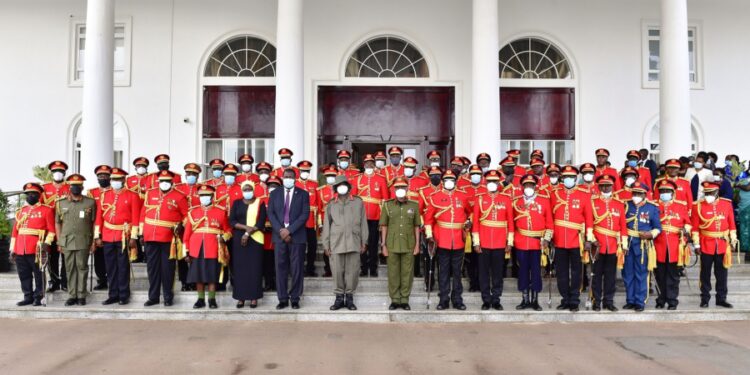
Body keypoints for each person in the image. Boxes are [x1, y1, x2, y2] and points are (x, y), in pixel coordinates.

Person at [424, 170, 472, 310]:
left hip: (458, 238)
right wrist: (429, 235)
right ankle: (443, 299)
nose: (449, 181)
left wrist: (468, 222)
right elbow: (428, 219)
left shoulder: (462, 196)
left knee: (457, 271)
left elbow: (470, 212)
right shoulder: (435, 196)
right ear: (443, 182)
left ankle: (457, 299)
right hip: (442, 238)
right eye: (446, 179)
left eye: (452, 179)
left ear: (456, 181)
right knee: (443, 271)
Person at [140, 170, 189, 307]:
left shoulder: (179, 196)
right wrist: (141, 233)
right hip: (150, 236)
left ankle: (168, 297)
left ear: (172, 182)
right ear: (158, 181)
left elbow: (187, 216)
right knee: (152, 269)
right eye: (162, 181)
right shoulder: (150, 193)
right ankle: (153, 297)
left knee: (168, 269)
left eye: (167, 181)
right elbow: (143, 214)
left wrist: (180, 225)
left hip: (169, 238)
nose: (164, 184)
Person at [95, 168, 141, 306]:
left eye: (118, 179)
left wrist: (133, 237)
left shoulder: (132, 195)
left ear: (124, 180)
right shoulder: (104, 195)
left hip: (124, 235)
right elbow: (99, 217)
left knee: (122, 266)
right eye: (113, 179)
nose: (115, 182)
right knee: (110, 267)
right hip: (108, 234)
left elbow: (136, 218)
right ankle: (112, 294)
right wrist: (98, 235)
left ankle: (123, 294)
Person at [322, 175, 368, 310]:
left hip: (354, 241)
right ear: (336, 188)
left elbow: (363, 223)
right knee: (336, 271)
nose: (342, 187)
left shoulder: (358, 202)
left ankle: (349, 298)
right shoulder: (331, 204)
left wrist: (364, 241)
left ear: (348, 187)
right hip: (336, 242)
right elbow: (326, 225)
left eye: (344, 184)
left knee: (352, 271)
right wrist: (326, 244)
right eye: (339, 185)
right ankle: (338, 298)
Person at [550, 166, 592, 312]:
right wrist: (550, 236)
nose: (568, 179)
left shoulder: (584, 194)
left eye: (571, 177)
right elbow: (550, 217)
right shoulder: (555, 194)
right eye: (566, 176)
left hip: (576, 240)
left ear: (575, 178)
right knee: (561, 272)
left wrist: (588, 238)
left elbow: (589, 219)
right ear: (562, 178)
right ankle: (565, 299)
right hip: (559, 239)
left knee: (576, 272)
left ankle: (574, 299)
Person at [267, 168, 310, 310]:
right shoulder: (274, 194)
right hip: (279, 237)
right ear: (282, 177)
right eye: (286, 176)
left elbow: (304, 215)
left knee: (297, 268)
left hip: (296, 236)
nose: (288, 178)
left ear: (295, 178)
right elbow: (271, 214)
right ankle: (283, 298)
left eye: (291, 176)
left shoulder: (303, 194)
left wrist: (289, 230)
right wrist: (281, 230)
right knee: (280, 268)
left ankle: (295, 298)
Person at [183, 185, 232, 309]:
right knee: (198, 276)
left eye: (206, 195)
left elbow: (228, 230)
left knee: (212, 275)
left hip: (213, 247)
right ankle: (200, 299)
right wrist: (186, 251)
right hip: (196, 248)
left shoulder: (221, 211)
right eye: (201, 195)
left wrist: (223, 238)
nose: (204, 198)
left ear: (212, 196)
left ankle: (211, 299)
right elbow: (187, 234)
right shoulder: (193, 212)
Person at [472, 170, 514, 310]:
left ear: (498, 183)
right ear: (486, 183)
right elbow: (476, 223)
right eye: (489, 181)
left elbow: (510, 223)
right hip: (483, 242)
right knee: (483, 273)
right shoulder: (479, 198)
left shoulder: (506, 199)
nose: (492, 184)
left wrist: (509, 242)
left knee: (497, 273)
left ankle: (496, 299)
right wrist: (476, 242)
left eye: (494, 182)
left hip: (500, 242)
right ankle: (485, 299)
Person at [585, 175, 627, 312]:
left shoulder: (619, 203)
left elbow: (623, 227)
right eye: (602, 185)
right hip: (598, 245)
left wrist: (624, 245)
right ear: (599, 187)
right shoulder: (593, 202)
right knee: (596, 276)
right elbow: (589, 224)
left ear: (612, 186)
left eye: (608, 185)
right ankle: (596, 301)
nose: (605, 188)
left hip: (613, 245)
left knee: (610, 277)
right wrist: (592, 240)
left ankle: (609, 301)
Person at [692, 181, 736, 308]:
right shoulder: (697, 206)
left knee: (722, 274)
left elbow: (732, 225)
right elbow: (695, 228)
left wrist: (732, 241)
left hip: (722, 244)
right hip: (706, 244)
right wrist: (696, 245)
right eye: (706, 193)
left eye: (711, 193)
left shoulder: (726, 204)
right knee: (705, 273)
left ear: (717, 193)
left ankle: (721, 298)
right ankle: (705, 298)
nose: (708, 195)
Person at [512, 174, 553, 311]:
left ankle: (535, 300)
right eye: (526, 185)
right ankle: (524, 299)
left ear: (535, 186)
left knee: (536, 272)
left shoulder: (544, 201)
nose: (528, 187)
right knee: (523, 271)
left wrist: (547, 238)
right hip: (521, 241)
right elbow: (511, 223)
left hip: (538, 243)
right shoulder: (516, 202)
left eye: (531, 185)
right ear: (522, 187)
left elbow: (549, 223)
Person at [11, 183, 56, 306]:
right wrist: (12, 249)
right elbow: (15, 232)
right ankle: (27, 296)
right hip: (20, 248)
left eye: (33, 194)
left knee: (38, 274)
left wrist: (46, 243)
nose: (30, 196)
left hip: (37, 247)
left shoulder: (46, 210)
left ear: (39, 195)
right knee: (24, 275)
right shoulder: (20, 211)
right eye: (28, 194)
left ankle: (38, 296)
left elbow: (52, 230)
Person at [380, 177, 421, 310]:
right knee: (393, 273)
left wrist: (417, 245)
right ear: (394, 189)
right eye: (397, 188)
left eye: (403, 187)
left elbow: (416, 226)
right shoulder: (387, 205)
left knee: (407, 273)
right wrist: (383, 245)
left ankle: (404, 299)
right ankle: (395, 299)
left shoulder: (414, 205)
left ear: (407, 189)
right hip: (392, 244)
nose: (400, 190)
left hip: (409, 244)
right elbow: (384, 225)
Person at [622, 182, 661, 312]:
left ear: (645, 194)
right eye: (634, 193)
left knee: (641, 273)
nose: (636, 196)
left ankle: (640, 301)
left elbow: (657, 228)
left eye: (639, 193)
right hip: (628, 243)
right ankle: (630, 300)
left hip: (643, 244)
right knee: (628, 273)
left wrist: (650, 234)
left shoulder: (652, 207)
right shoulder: (626, 205)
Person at [56, 175, 97, 299]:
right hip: (67, 241)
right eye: (73, 186)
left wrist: (94, 241)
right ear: (69, 187)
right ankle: (72, 295)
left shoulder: (90, 202)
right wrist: (59, 241)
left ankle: (81, 295)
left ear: (82, 187)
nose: (75, 188)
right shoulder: (60, 203)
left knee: (82, 267)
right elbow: (58, 223)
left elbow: (94, 222)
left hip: (83, 240)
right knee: (69, 268)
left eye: (78, 186)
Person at [653, 179, 690, 310]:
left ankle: (672, 301)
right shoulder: (654, 206)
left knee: (673, 276)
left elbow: (688, 223)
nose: (664, 193)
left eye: (667, 191)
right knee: (660, 275)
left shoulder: (680, 206)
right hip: (658, 244)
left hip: (675, 245)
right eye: (662, 191)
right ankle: (661, 299)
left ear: (673, 192)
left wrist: (686, 230)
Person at [230, 181, 267, 308]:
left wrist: (248, 233)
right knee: (240, 268)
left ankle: (254, 297)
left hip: (255, 238)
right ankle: (240, 297)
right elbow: (232, 221)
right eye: (245, 189)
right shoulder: (236, 203)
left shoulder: (260, 203)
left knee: (254, 268)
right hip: (238, 239)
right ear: (242, 191)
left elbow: (261, 221)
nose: (247, 191)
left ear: (253, 189)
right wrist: (246, 228)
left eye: (249, 189)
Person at [352, 154, 389, 277]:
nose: (369, 165)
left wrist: (383, 218)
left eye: (371, 163)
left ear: (373, 165)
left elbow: (385, 199)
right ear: (364, 164)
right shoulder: (357, 178)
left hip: (375, 217)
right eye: (367, 163)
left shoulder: (381, 179)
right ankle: (363, 268)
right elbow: (353, 198)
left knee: (373, 244)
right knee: (362, 243)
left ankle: (373, 268)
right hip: (361, 216)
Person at [174, 162, 203, 291]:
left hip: (197, 227)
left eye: (194, 174)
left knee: (196, 254)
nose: (191, 176)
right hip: (182, 227)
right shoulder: (178, 188)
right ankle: (185, 281)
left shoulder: (202, 189)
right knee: (182, 254)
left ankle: (196, 280)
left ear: (197, 176)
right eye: (189, 173)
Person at [42, 160, 70, 292]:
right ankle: (53, 281)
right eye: (55, 172)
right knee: (51, 256)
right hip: (49, 228)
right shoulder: (44, 188)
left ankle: (65, 281)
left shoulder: (70, 187)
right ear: (51, 173)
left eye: (60, 171)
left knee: (66, 255)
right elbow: (41, 208)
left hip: (66, 227)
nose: (57, 174)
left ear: (64, 173)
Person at [86, 165, 112, 291]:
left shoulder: (114, 191)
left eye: (105, 176)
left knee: (110, 255)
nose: (103, 178)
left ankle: (111, 279)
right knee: (98, 256)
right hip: (95, 227)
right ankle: (101, 280)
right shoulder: (92, 192)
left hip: (110, 226)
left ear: (110, 177)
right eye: (100, 176)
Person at [296, 160, 320, 277]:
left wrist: (319, 221)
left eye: (307, 171)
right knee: (299, 246)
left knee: (312, 246)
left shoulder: (314, 184)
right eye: (303, 171)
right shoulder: (294, 184)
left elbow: (319, 203)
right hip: (298, 221)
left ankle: (310, 268)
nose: (305, 173)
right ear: (299, 171)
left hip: (311, 220)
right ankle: (299, 268)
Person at [317, 166, 339, 277]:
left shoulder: (340, 190)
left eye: (333, 176)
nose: (331, 178)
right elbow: (319, 208)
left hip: (338, 221)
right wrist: (320, 224)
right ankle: (328, 269)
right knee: (326, 245)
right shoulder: (320, 190)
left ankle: (337, 269)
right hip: (325, 221)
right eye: (328, 176)